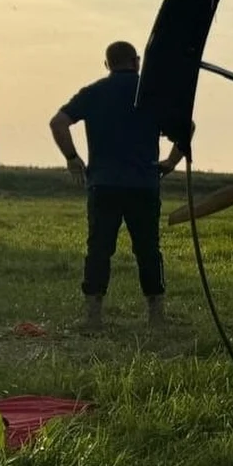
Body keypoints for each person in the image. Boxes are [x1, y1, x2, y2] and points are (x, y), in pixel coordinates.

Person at [49, 41, 188, 329]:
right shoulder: (152, 92)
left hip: (103, 184)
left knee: (99, 249)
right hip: (143, 185)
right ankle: (156, 315)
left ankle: (93, 316)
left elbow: (58, 122)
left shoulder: (93, 92)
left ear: (107, 64)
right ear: (137, 62)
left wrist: (72, 158)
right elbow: (188, 128)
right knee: (148, 250)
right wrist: (170, 163)